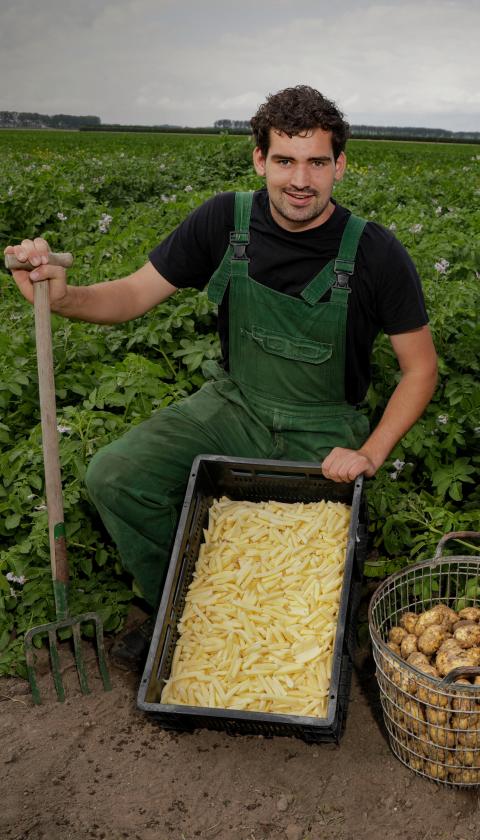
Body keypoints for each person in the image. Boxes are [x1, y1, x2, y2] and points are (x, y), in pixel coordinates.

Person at [5, 85, 438, 669]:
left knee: (299, 581)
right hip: (236, 406)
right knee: (115, 474)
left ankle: (275, 616)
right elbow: (132, 294)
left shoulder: (375, 253)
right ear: (260, 159)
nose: (300, 180)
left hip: (322, 428)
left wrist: (370, 452)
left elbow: (420, 369)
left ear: (340, 165)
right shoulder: (225, 220)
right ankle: (182, 609)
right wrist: (59, 297)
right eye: (284, 160)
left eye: (316, 162)